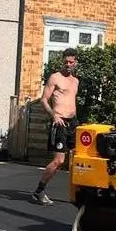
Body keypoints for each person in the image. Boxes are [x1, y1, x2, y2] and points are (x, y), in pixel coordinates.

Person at [31, 49, 79, 205]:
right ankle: (39, 191)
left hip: (73, 122)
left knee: (76, 159)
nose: (68, 65)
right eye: (66, 62)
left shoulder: (76, 81)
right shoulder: (55, 77)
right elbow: (44, 100)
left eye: (71, 62)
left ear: (75, 63)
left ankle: (77, 193)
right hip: (59, 123)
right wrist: (54, 115)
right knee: (58, 161)